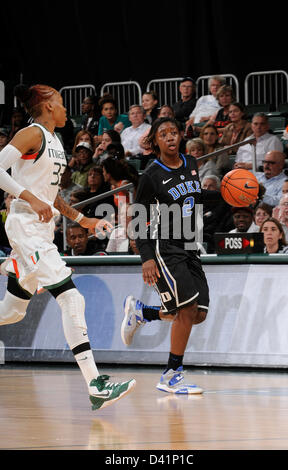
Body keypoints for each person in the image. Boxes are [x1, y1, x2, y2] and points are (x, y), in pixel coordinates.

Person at [0, 83, 135, 410]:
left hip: (42, 231)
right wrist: (30, 198)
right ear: (46, 107)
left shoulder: (56, 140)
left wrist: (82, 219)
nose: (64, 109)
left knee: (13, 312)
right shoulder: (31, 134)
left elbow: (50, 193)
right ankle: (96, 384)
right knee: (71, 297)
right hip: (25, 225)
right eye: (60, 103)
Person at [121, 117, 222, 394]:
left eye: (173, 132)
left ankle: (143, 313)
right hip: (165, 246)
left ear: (180, 136)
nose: (170, 137)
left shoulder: (191, 163)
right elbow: (138, 219)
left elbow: (196, 199)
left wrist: (226, 195)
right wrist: (146, 257)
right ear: (155, 141)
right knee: (186, 310)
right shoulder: (151, 175)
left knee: (198, 313)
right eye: (163, 134)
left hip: (190, 244)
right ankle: (171, 374)